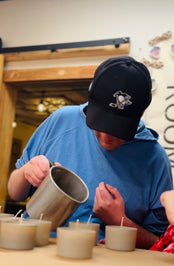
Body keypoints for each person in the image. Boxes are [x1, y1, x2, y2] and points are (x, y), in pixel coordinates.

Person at [7, 56, 173, 249]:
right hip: (37, 249)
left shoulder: (155, 159)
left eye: (118, 130)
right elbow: (14, 192)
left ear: (141, 113)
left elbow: (160, 245)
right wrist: (26, 172)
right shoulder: (61, 121)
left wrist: (119, 221)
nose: (106, 138)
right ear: (90, 98)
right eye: (99, 125)